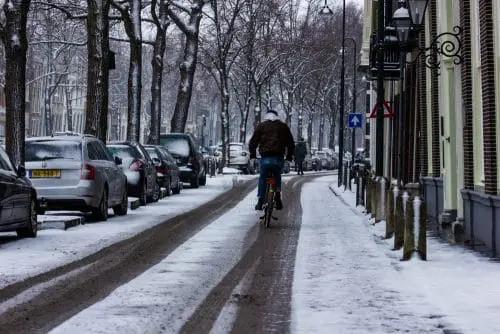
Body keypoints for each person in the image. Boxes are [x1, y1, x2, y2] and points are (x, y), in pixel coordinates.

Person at [249, 109, 295, 211]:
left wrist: (252, 155)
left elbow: (253, 142)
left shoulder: (261, 126)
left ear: (266, 116)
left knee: (263, 177)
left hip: (265, 157)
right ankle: (277, 198)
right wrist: (288, 157)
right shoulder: (283, 127)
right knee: (277, 174)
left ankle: (260, 201)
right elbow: (291, 144)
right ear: (276, 116)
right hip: (278, 157)